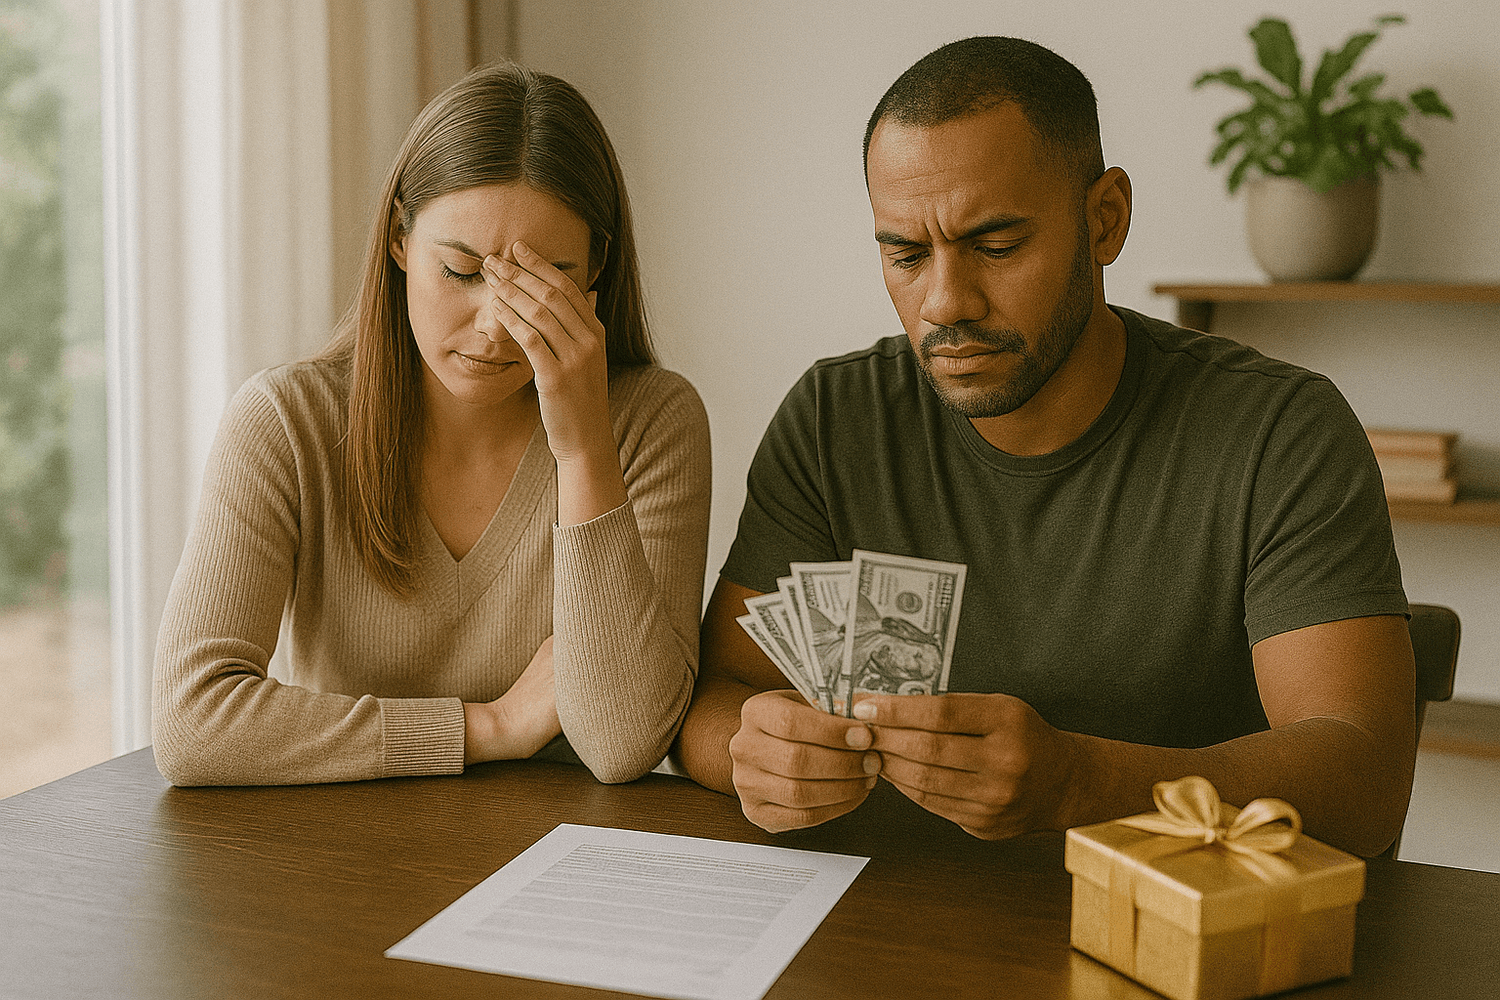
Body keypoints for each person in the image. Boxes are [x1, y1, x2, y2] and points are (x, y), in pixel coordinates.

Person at [673, 37, 1414, 857]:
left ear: (1105, 220)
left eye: (995, 245)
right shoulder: (833, 416)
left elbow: (1367, 781)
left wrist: (1080, 783)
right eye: (906, 254)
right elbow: (716, 700)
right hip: (888, 927)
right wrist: (755, 753)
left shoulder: (1280, 432)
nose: (945, 302)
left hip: (1171, 937)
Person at [153, 63, 711, 787]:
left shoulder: (652, 422)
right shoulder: (284, 423)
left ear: (596, 267)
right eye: (461, 271)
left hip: (567, 868)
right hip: (341, 861)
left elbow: (624, 743)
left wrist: (581, 449)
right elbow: (191, 724)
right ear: (398, 242)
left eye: (542, 283)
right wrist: (487, 727)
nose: (495, 328)